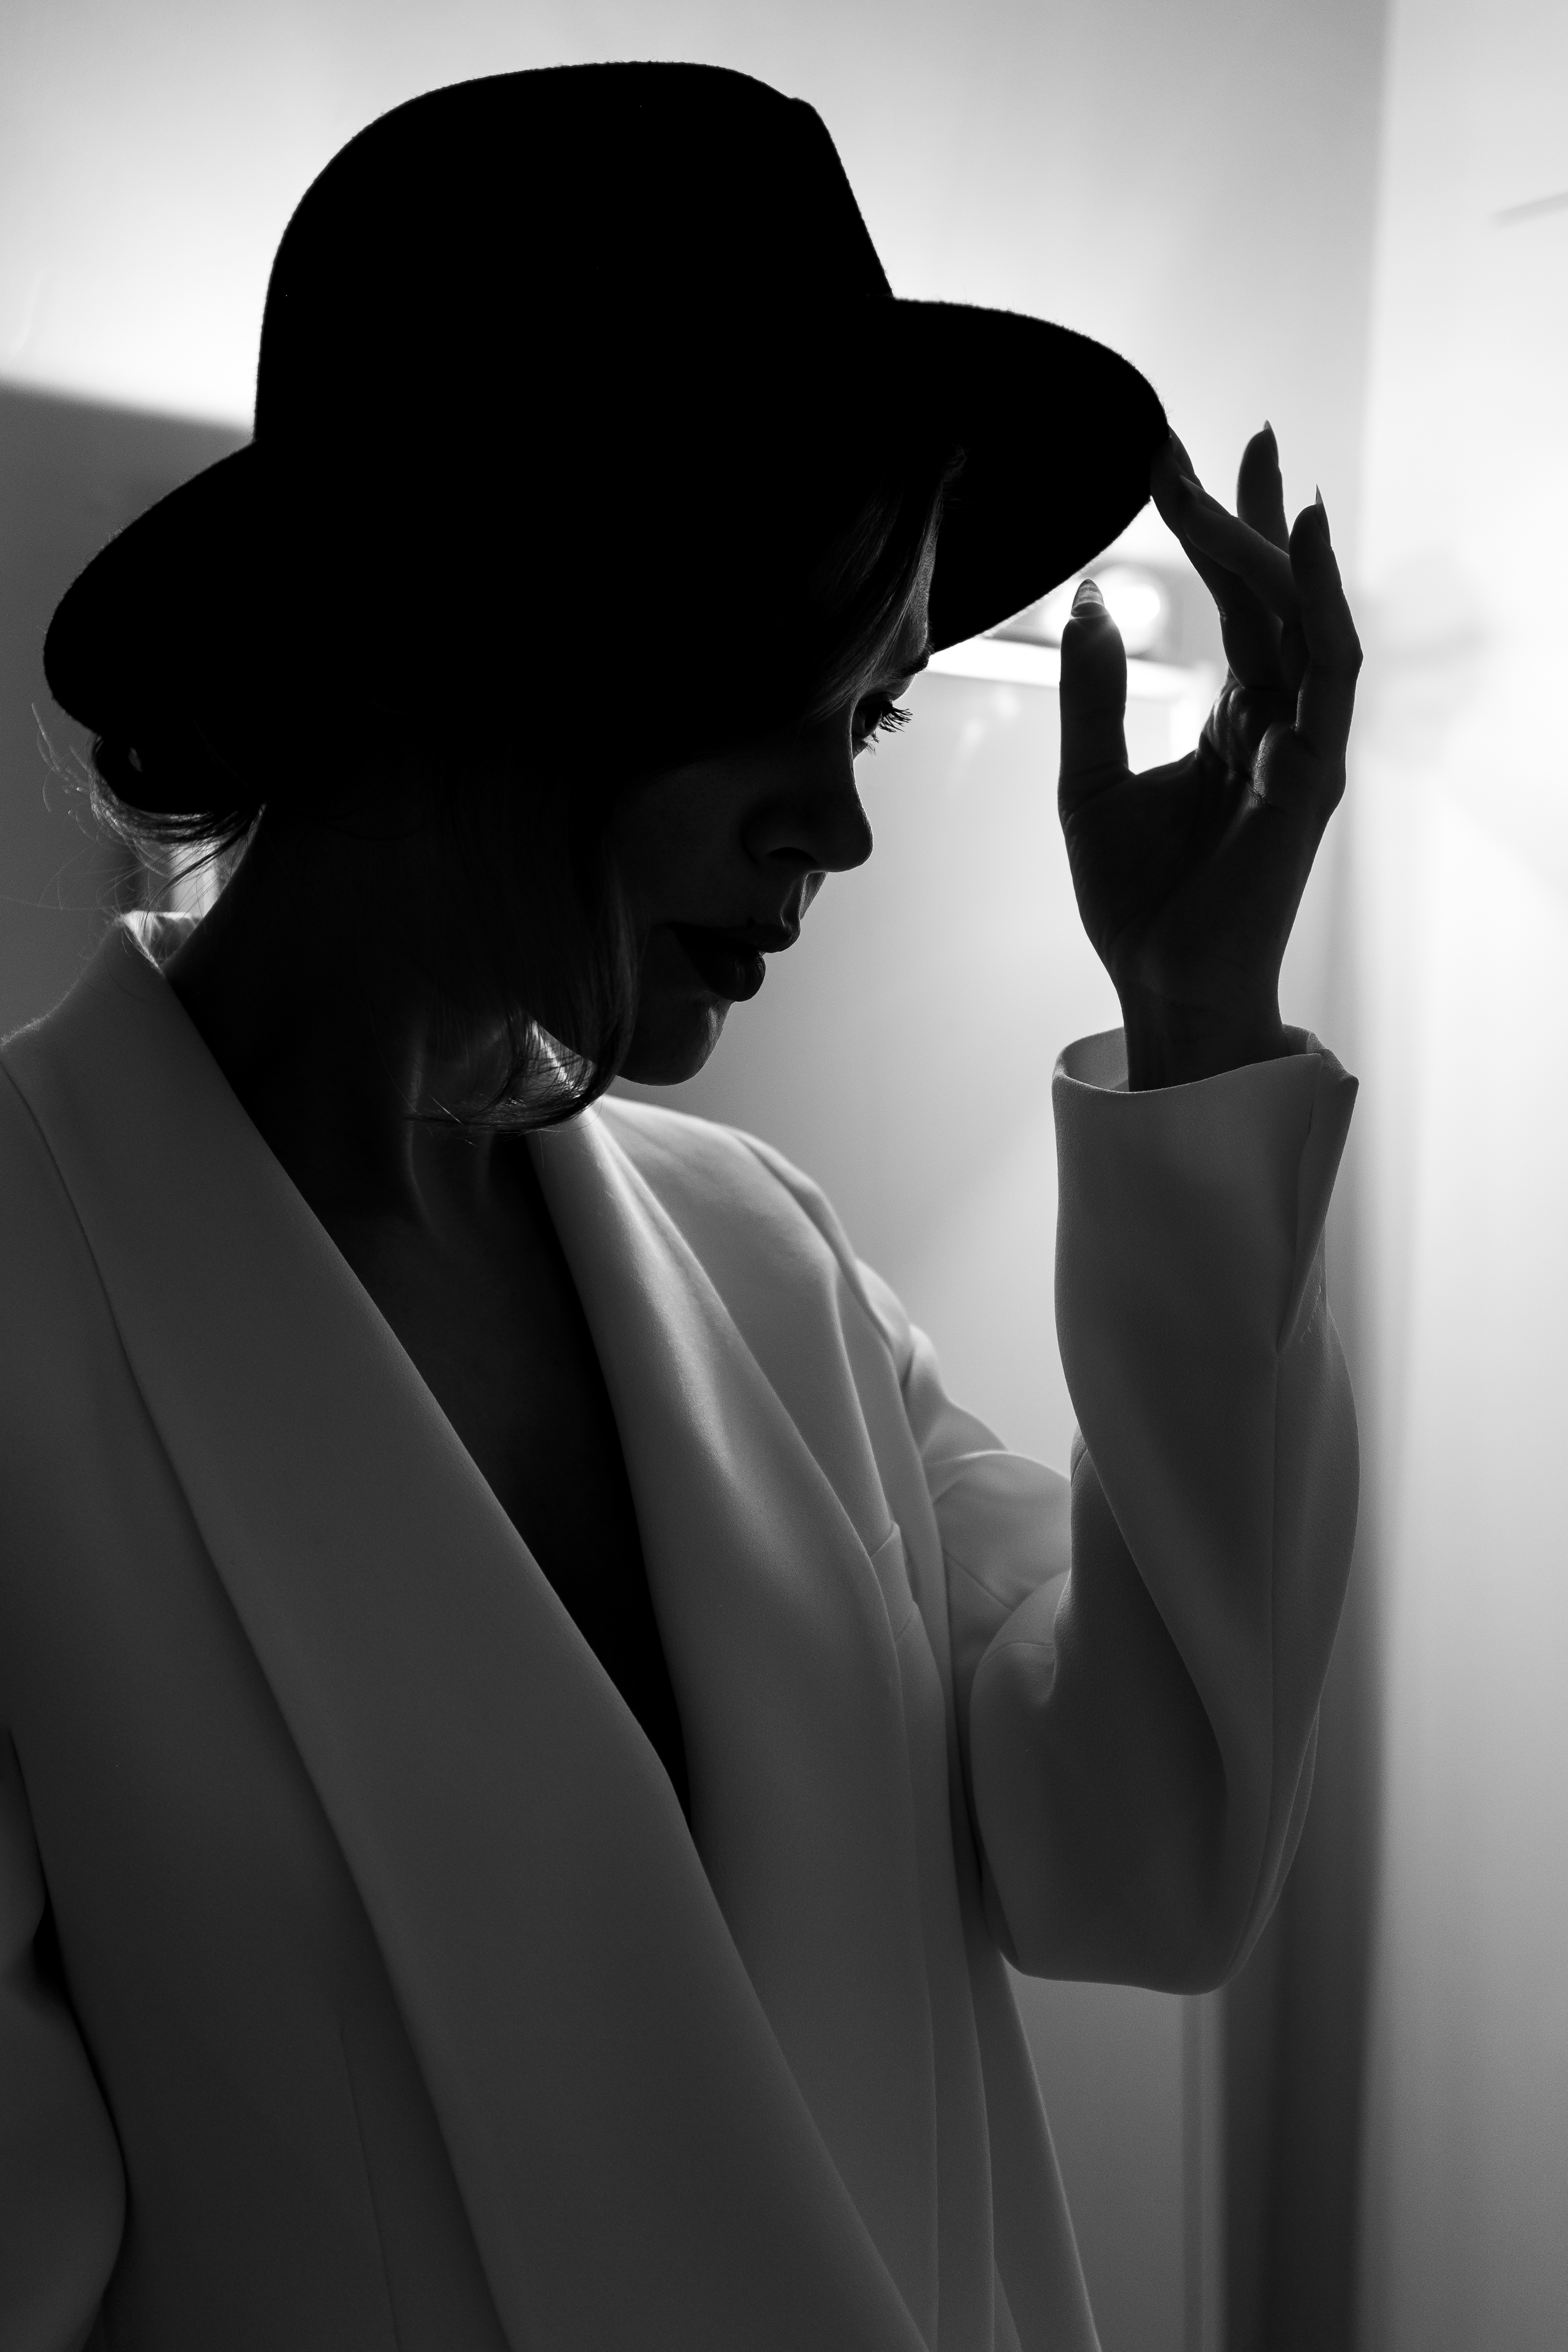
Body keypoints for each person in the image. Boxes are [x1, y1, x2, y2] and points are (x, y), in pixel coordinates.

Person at [0, 62, 1361, 2352]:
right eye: (774, 698)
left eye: (875, 712)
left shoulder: (765, 1260)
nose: (841, 824)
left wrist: (1202, 1026)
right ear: (458, 635)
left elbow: (1153, 1855)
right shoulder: (35, 1304)